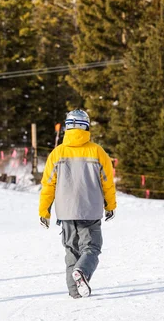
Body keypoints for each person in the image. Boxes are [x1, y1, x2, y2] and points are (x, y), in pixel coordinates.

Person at [39, 109, 117, 299]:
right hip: (90, 210)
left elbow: (48, 184)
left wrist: (44, 211)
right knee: (92, 247)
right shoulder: (97, 151)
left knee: (71, 251)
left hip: (65, 212)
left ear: (67, 127)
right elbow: (107, 181)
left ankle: (75, 292)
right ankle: (82, 272)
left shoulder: (57, 153)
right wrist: (110, 206)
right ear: (86, 126)